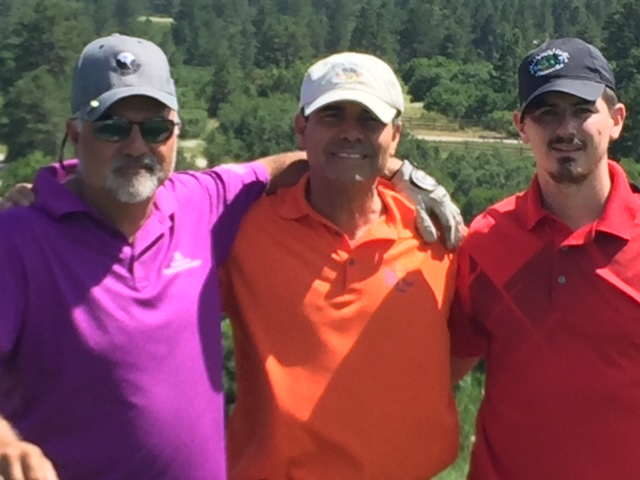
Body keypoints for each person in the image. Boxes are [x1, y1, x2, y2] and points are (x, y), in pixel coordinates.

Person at [0, 36, 464, 480]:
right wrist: (7, 445)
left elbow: (294, 163)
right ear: (75, 133)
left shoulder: (202, 204)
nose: (137, 145)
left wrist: (400, 171)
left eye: (155, 128)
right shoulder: (22, 237)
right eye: (112, 127)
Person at [220, 52, 459, 479]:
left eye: (369, 120)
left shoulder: (436, 236)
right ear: (301, 128)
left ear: (395, 136)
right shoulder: (244, 232)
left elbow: (466, 343)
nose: (350, 132)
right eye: (332, 116)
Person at [449, 37, 639, 479]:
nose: (565, 128)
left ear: (616, 119)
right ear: (521, 126)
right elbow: (441, 371)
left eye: (582, 110)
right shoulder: (485, 240)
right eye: (547, 112)